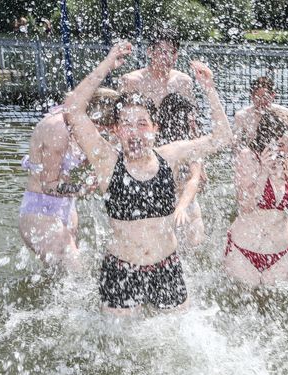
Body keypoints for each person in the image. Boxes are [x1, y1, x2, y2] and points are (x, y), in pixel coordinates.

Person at [64, 41, 232, 314]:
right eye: (127, 125)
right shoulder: (107, 162)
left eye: (142, 124)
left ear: (155, 128)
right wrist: (107, 64)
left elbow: (222, 138)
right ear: (117, 131)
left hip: (166, 268)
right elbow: (72, 110)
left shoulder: (169, 155)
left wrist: (210, 90)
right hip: (121, 272)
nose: (135, 132)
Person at [19, 88, 118, 270]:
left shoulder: (77, 124)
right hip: (40, 213)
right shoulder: (57, 128)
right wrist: (83, 188)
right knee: (77, 273)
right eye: (103, 128)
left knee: (60, 278)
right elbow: (48, 185)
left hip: (66, 209)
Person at [224, 109, 288, 286]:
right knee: (241, 306)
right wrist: (263, 172)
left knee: (278, 308)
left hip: (280, 252)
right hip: (244, 250)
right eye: (280, 144)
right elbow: (245, 206)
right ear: (266, 138)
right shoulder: (248, 157)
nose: (285, 149)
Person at [157, 93, 206, 248]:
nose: (192, 120)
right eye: (188, 116)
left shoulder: (191, 144)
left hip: (187, 206)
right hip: (164, 208)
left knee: (193, 245)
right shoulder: (156, 144)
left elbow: (195, 179)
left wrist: (181, 206)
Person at [118, 27, 194, 107]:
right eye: (162, 51)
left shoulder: (183, 82)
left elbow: (192, 116)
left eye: (172, 52)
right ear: (150, 52)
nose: (168, 57)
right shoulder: (132, 81)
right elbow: (117, 115)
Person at [233, 76, 288, 149]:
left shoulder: (284, 113)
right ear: (252, 96)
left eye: (265, 97)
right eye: (258, 97)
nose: (261, 101)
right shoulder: (242, 116)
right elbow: (236, 144)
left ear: (273, 96)